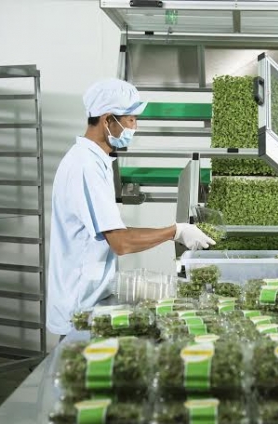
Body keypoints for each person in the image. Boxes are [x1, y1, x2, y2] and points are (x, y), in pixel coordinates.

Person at [46, 79, 214, 338]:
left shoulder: (95, 161)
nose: (134, 127)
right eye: (131, 120)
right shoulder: (85, 167)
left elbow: (112, 231)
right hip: (79, 304)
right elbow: (120, 242)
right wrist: (176, 231)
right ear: (107, 120)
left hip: (90, 296)